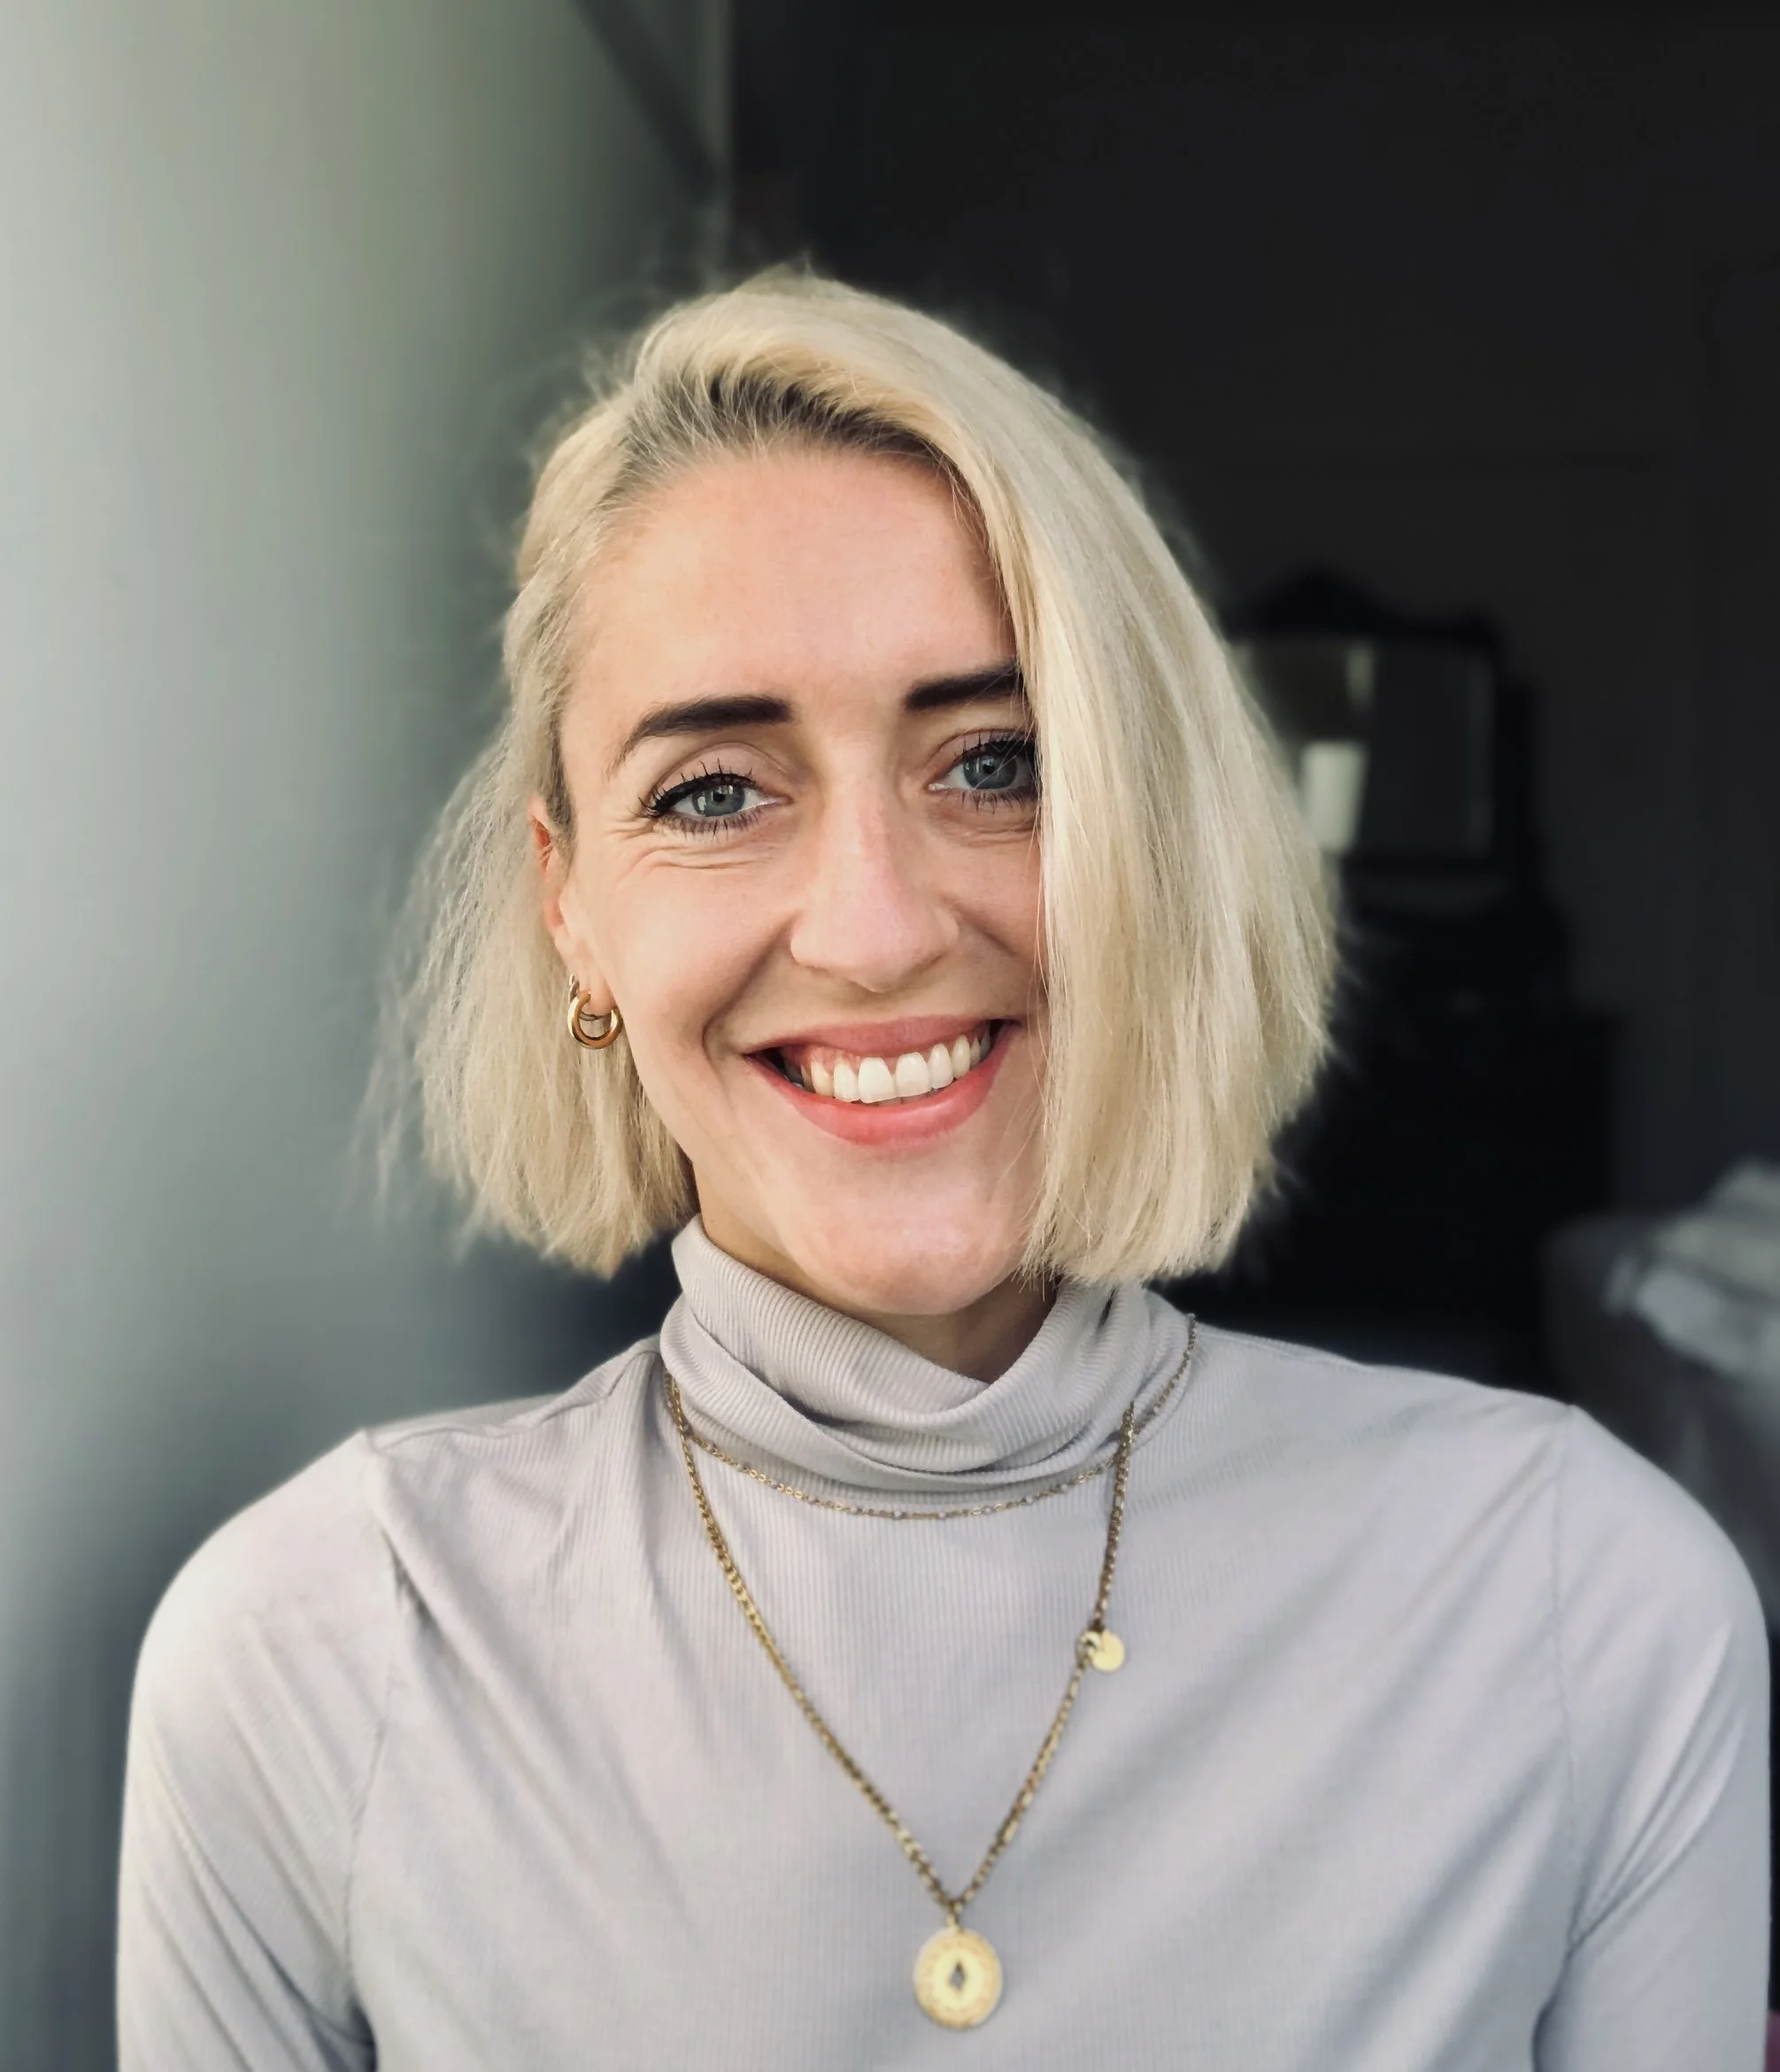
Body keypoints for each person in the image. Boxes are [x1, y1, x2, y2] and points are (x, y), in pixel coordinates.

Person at [117, 273, 1769, 2068]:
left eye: (997, 762)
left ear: (1162, 845)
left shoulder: (1578, 1599)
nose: (877, 928)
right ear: (568, 906)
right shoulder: (321, 1645)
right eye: (716, 792)